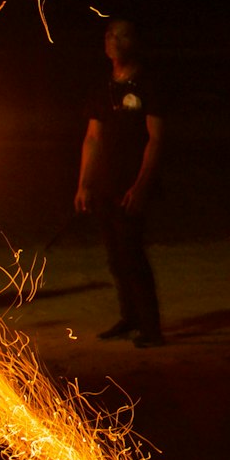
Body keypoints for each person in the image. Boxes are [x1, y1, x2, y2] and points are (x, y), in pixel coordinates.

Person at [77, 18, 165, 346]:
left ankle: (151, 328)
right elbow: (92, 138)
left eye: (123, 34)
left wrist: (141, 186)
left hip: (132, 184)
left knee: (132, 255)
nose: (114, 39)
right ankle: (129, 317)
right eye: (110, 34)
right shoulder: (103, 88)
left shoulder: (147, 85)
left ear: (135, 42)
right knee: (115, 256)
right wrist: (84, 183)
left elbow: (155, 139)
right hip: (105, 184)